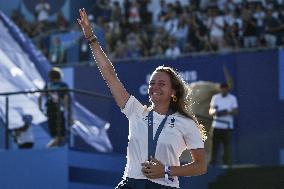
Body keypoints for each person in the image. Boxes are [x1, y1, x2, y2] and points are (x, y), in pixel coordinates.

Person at [77, 8, 207, 189]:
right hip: (131, 184)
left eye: (161, 83)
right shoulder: (136, 111)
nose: (155, 87)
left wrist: (166, 170)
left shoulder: (185, 123)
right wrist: (91, 38)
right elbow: (109, 75)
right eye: (152, 83)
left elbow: (200, 166)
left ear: (173, 92)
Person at [38, 67, 70, 148]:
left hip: (49, 110)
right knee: (60, 135)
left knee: (56, 135)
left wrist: (40, 108)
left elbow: (40, 96)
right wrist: (66, 109)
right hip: (58, 110)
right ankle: (48, 148)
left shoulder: (48, 85)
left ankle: (50, 149)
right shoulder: (63, 85)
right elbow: (66, 98)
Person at [209, 83, 238, 167]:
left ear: (227, 89)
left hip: (227, 127)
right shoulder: (215, 98)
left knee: (226, 147)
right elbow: (210, 111)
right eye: (222, 88)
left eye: (225, 88)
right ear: (220, 89)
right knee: (214, 146)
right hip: (216, 126)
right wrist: (216, 112)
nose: (223, 90)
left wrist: (227, 112)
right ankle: (213, 163)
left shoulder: (232, 98)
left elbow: (236, 111)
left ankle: (226, 164)